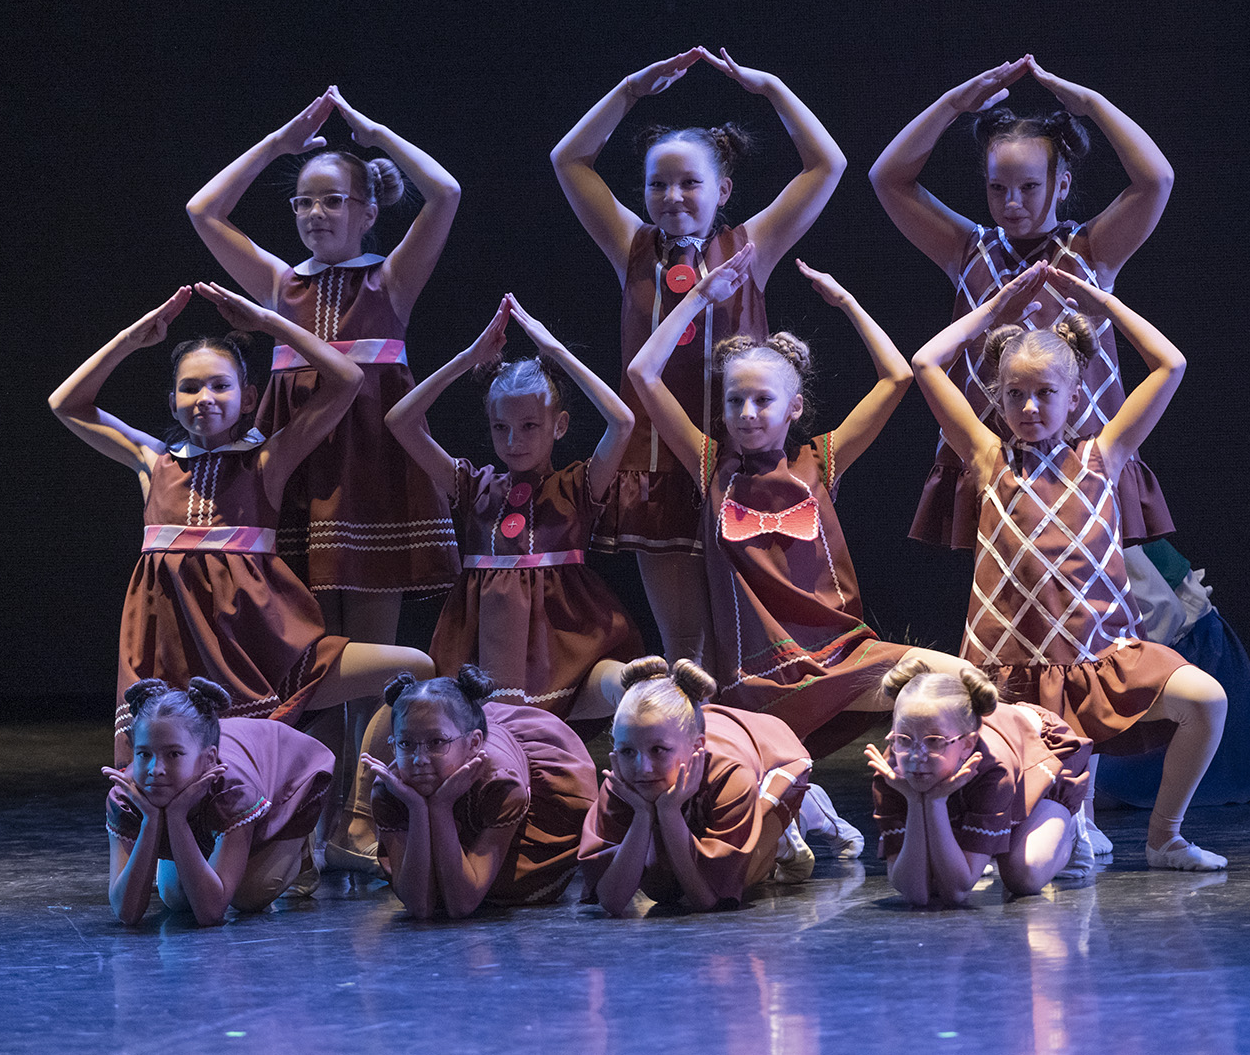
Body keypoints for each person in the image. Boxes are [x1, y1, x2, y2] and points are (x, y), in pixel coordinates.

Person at [912, 263, 1228, 870]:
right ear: (997, 397)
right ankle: (1048, 832)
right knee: (1033, 845)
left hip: (1098, 660)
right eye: (1014, 394)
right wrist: (993, 308)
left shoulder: (1104, 456)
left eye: (1045, 393)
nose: (1029, 406)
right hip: (1012, 671)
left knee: (1206, 700)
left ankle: (1164, 838)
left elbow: (1171, 364)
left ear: (1075, 396)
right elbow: (926, 363)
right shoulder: (987, 457)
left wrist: (1101, 301)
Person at [48, 282, 432, 763]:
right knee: (160, 771)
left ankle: (362, 797)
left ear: (249, 398)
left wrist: (269, 322)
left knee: (415, 666)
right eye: (190, 388)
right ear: (172, 401)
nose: (204, 397)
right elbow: (65, 404)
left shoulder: (266, 462)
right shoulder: (153, 463)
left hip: (266, 656)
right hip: (172, 663)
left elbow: (347, 379)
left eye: (220, 385)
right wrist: (129, 340)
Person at [551, 48, 846, 664]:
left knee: (748, 639)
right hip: (657, 469)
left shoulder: (750, 247)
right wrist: (629, 89)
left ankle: (755, 728)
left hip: (737, 466)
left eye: (690, 183)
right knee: (684, 644)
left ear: (723, 189)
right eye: (658, 184)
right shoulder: (633, 247)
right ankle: (692, 731)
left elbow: (827, 165)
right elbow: (568, 159)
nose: (672, 196)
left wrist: (772, 87)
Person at [627, 246, 958, 760]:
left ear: (794, 407)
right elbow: (643, 373)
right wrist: (699, 297)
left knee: (963, 681)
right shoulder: (710, 465)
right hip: (758, 680)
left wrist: (846, 302)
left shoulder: (820, 460)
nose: (747, 412)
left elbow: (897, 376)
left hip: (838, 658)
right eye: (735, 400)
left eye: (763, 400)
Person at [185, 87, 460, 651]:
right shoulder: (281, 286)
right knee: (310, 641)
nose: (315, 213)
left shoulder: (391, 280)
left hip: (372, 459)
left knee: (371, 641)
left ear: (368, 212)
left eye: (333, 201)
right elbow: (202, 211)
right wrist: (275, 145)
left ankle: (373, 714)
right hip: (298, 460)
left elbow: (446, 192)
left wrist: (377, 136)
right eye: (303, 202)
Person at [870, 57, 1177, 551]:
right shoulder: (968, 249)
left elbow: (1156, 180)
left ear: (1062, 184)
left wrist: (1093, 104)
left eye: (1029, 187)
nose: (1012, 202)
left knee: (1090, 586)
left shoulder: (1091, 249)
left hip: (1081, 456)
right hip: (994, 458)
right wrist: (953, 104)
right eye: (998, 188)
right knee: (1004, 585)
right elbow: (887, 178)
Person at [386, 294, 642, 721]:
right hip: (481, 648)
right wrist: (468, 359)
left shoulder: (576, 486)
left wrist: (557, 353)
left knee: (625, 684)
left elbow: (624, 421)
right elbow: (399, 421)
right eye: (500, 427)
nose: (513, 441)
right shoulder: (474, 487)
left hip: (564, 646)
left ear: (559, 426)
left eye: (529, 426)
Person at [578, 658, 814, 916]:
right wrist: (642, 815)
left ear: (697, 748)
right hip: (687, 754)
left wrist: (668, 813)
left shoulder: (731, 775)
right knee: (662, 890)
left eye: (658, 750)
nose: (643, 768)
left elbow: (708, 901)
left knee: (738, 881)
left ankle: (794, 824)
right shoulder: (620, 781)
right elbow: (612, 901)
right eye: (627, 751)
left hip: (771, 756)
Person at [358, 667, 597, 918]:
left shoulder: (500, 785)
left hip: (520, 842)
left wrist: (440, 807)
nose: (420, 759)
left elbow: (461, 904)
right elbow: (419, 907)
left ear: (473, 743)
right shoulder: (392, 789)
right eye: (405, 744)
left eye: (437, 742)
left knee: (482, 891)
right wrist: (417, 809)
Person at [103, 677, 334, 925]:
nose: (155, 769)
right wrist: (150, 821)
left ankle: (300, 850)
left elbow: (211, 912)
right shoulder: (126, 796)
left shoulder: (232, 791)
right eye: (144, 754)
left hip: (283, 777)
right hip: (210, 786)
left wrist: (176, 819)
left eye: (174, 755)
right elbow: (127, 913)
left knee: (248, 896)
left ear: (209, 759)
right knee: (176, 897)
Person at [866, 658, 1093, 907]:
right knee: (935, 883)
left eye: (934, 741)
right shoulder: (892, 773)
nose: (916, 757)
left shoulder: (994, 771)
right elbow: (915, 894)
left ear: (966, 744)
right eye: (904, 739)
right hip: (970, 765)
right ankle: (981, 839)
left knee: (1022, 876)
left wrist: (935, 802)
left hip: (1038, 753)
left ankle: (1069, 829)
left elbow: (957, 891)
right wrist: (917, 801)